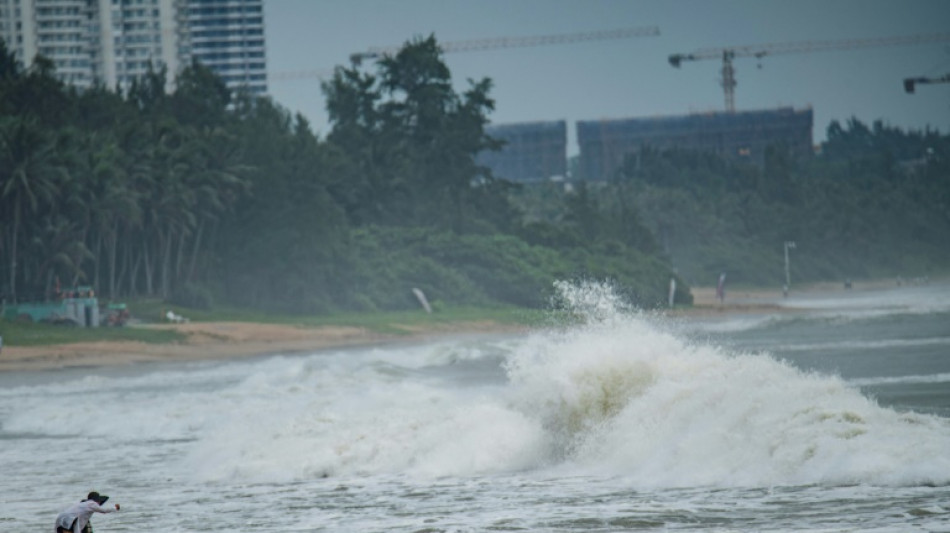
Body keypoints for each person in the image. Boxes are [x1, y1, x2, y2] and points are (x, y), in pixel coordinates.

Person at [55, 492, 120, 533]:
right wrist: (115, 508)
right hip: (71, 520)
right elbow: (104, 510)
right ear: (97, 500)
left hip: (61, 519)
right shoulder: (92, 503)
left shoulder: (82, 504)